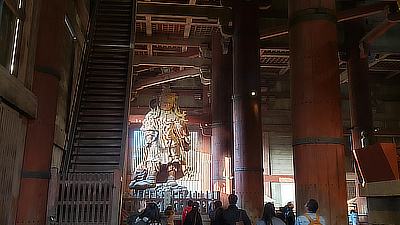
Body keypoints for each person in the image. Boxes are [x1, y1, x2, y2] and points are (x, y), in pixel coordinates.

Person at [130, 87, 190, 189]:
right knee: (153, 158)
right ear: (159, 102)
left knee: (173, 159)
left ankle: (171, 178)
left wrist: (181, 125)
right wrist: (149, 136)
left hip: (172, 142)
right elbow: (148, 127)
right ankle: (151, 177)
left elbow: (181, 132)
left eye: (169, 103)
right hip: (157, 141)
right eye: (165, 103)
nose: (167, 105)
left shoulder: (176, 116)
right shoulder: (153, 115)